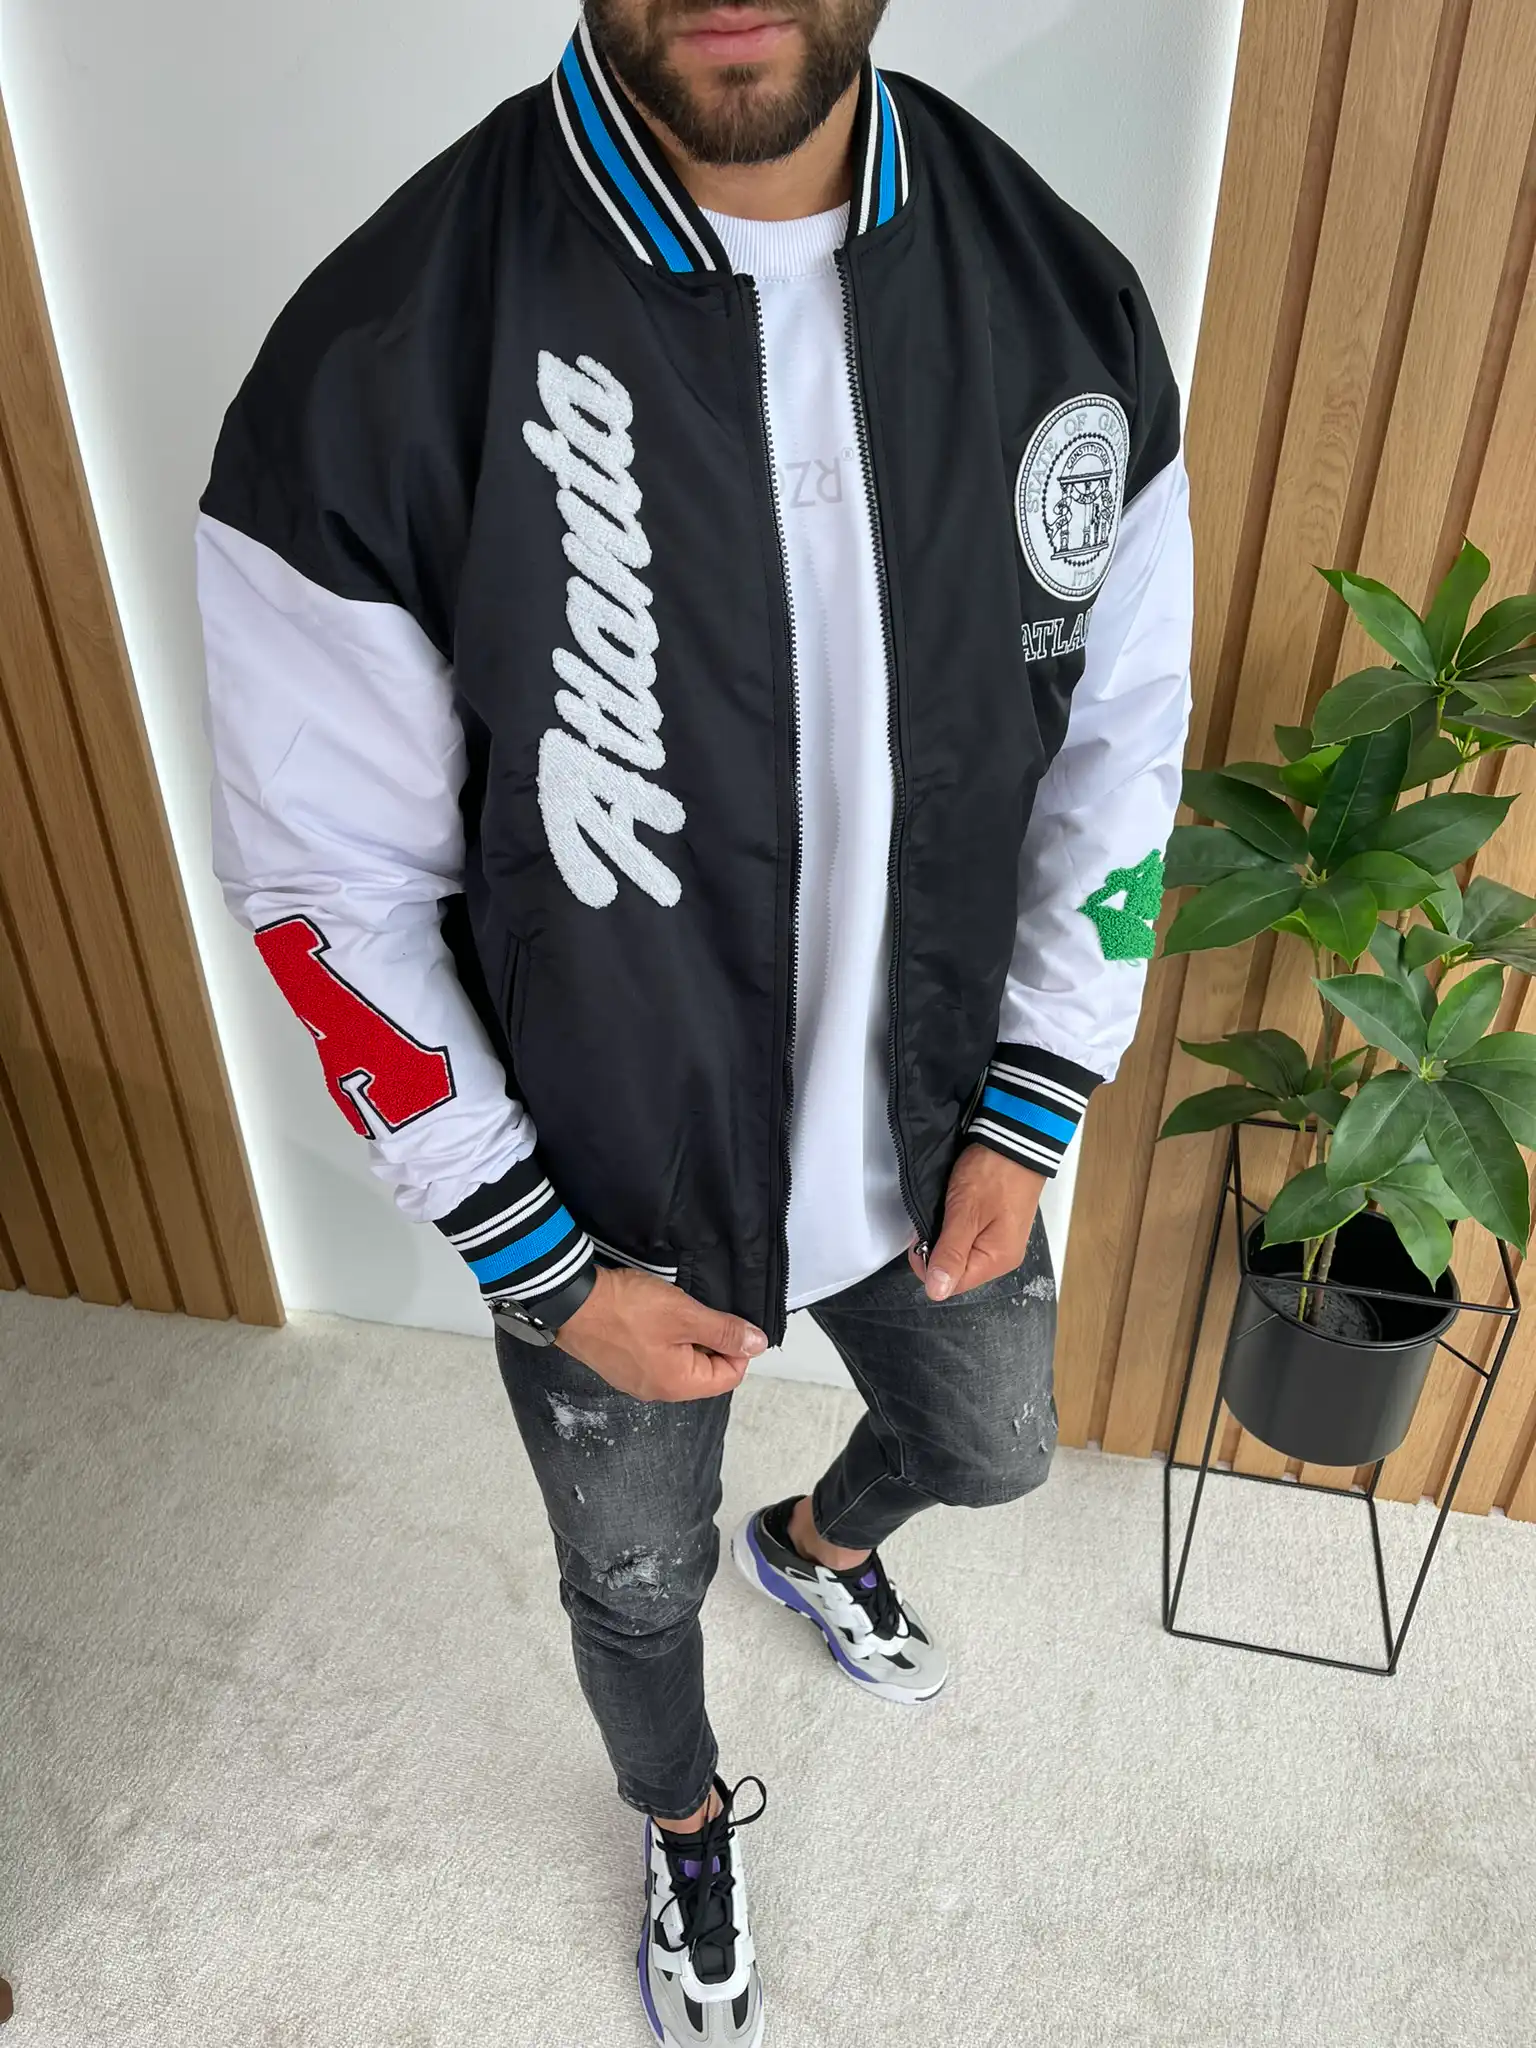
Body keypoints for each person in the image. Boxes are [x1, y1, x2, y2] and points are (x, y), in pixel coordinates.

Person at [196, 3, 1194, 2040]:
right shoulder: (375, 351)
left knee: (995, 1448)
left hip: (944, 1127)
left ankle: (818, 1542)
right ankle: (681, 1818)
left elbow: (1119, 734)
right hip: (608, 1200)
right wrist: (534, 1257)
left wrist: (1037, 1089)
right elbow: (326, 889)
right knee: (636, 1589)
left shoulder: (1057, 291)